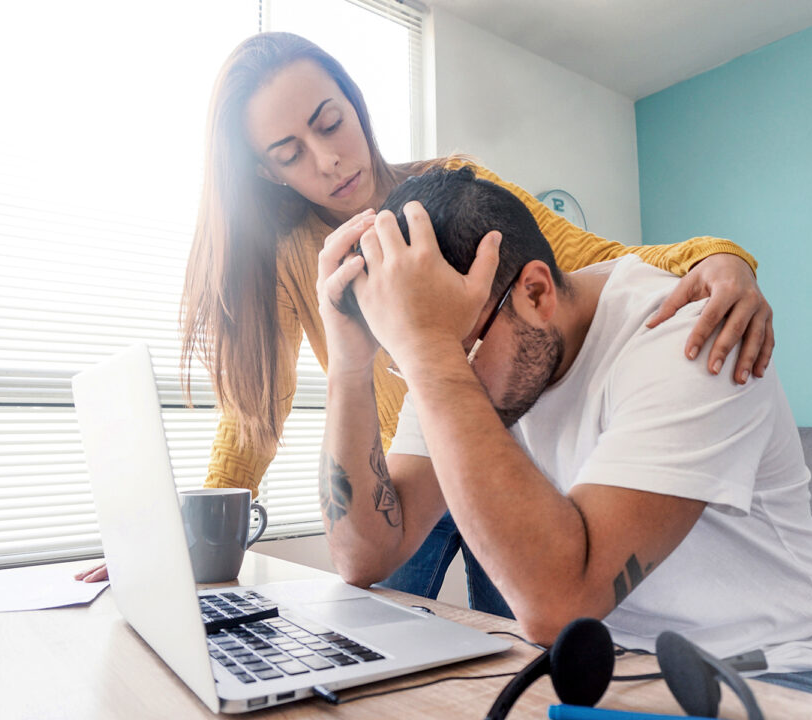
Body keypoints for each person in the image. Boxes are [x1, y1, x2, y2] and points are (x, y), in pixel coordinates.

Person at [76, 32, 776, 604]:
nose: (328, 160)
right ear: (268, 173)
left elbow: (583, 265)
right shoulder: (291, 258)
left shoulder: (452, 197)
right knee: (369, 613)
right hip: (405, 461)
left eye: (330, 123)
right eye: (290, 154)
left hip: (482, 435)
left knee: (522, 621)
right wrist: (190, 538)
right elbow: (255, 415)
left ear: (356, 104)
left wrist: (718, 258)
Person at [314, 165, 812, 708]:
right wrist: (348, 363)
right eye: (412, 358)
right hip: (611, 679)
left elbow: (558, 605)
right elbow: (365, 556)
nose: (431, 380)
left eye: (456, 352)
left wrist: (434, 354)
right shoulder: (448, 348)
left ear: (535, 293)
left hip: (785, 679)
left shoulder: (688, 335)